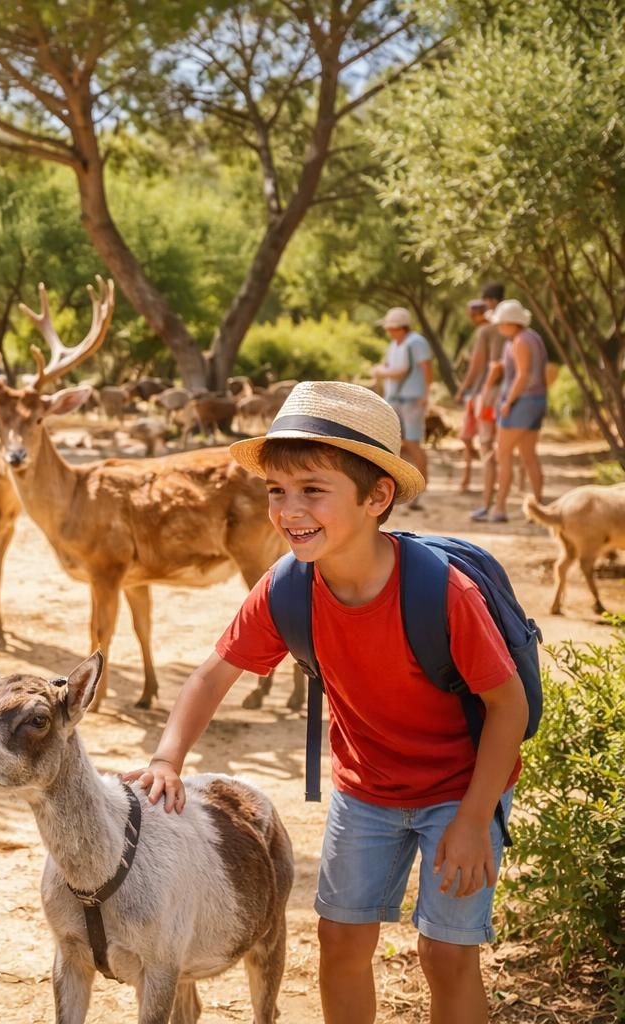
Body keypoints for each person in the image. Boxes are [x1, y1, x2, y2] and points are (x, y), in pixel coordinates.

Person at [129, 381, 525, 1024]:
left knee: (446, 955)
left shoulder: (442, 593)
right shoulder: (287, 587)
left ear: (377, 497)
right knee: (340, 942)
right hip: (367, 789)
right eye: (276, 492)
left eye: (313, 490)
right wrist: (168, 756)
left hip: (463, 787)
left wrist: (476, 819)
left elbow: (507, 706)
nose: (289, 510)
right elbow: (210, 677)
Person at [473, 300, 548, 524]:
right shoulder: (533, 337)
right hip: (537, 401)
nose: (498, 327)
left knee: (502, 456)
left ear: (510, 322)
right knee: (529, 455)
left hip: (521, 403)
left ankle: (499, 508)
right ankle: (538, 510)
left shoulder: (520, 341)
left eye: (501, 323)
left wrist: (507, 402)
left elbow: (523, 375)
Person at [370, 307, 433, 511]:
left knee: (413, 443)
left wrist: (426, 394)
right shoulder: (395, 345)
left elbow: (425, 369)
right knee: (396, 443)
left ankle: (421, 488)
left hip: (413, 398)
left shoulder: (416, 342)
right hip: (395, 399)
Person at [455, 298, 502, 500]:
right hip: (498, 393)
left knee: (477, 439)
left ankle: (482, 487)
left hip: (481, 393)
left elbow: (477, 365)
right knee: (490, 440)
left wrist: (463, 389)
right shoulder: (503, 331)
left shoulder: (484, 332)